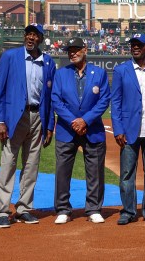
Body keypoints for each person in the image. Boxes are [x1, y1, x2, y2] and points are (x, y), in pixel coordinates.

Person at [0, 24, 56, 228]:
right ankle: (2, 210)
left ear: (41, 39)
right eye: (28, 34)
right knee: (8, 163)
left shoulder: (48, 62)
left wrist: (49, 125)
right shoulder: (10, 57)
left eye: (35, 35)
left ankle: (23, 208)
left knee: (31, 165)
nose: (30, 38)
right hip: (14, 117)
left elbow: (51, 97)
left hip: (38, 117)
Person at [52, 37, 111, 224]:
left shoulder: (99, 73)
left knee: (95, 171)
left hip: (92, 129)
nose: (72, 53)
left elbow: (104, 100)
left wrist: (85, 120)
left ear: (85, 50)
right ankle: (63, 208)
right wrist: (73, 121)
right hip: (66, 129)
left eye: (76, 49)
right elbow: (56, 101)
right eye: (70, 50)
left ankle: (93, 208)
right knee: (63, 171)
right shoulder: (61, 74)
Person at [111, 33, 145, 225]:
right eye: (133, 44)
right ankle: (128, 211)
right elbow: (115, 102)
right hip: (130, 128)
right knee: (126, 173)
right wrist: (118, 129)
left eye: (139, 44)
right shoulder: (121, 70)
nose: (135, 47)